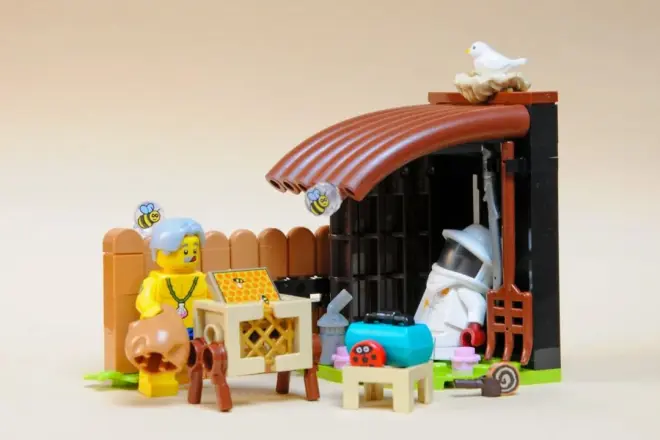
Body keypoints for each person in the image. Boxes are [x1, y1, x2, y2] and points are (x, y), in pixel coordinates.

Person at [134, 217, 212, 397]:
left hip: (195, 328)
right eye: (185, 250)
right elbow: (143, 300)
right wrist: (152, 310)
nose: (192, 254)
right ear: (163, 251)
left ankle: (194, 377)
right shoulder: (155, 281)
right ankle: (160, 382)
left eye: (195, 249)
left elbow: (211, 298)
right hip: (168, 332)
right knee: (164, 356)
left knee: (197, 357)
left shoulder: (201, 279)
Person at [414, 224, 493, 360]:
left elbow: (477, 304)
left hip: (450, 341)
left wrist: (474, 327)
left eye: (466, 260)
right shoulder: (435, 285)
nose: (455, 261)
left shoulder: (463, 289)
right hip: (424, 336)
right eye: (454, 254)